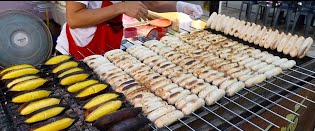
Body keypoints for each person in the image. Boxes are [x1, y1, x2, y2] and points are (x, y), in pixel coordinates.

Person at [55, 1, 204, 59]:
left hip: (106, 52)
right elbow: (74, 19)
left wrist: (181, 6)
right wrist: (121, 7)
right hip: (74, 53)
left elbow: (150, 3)